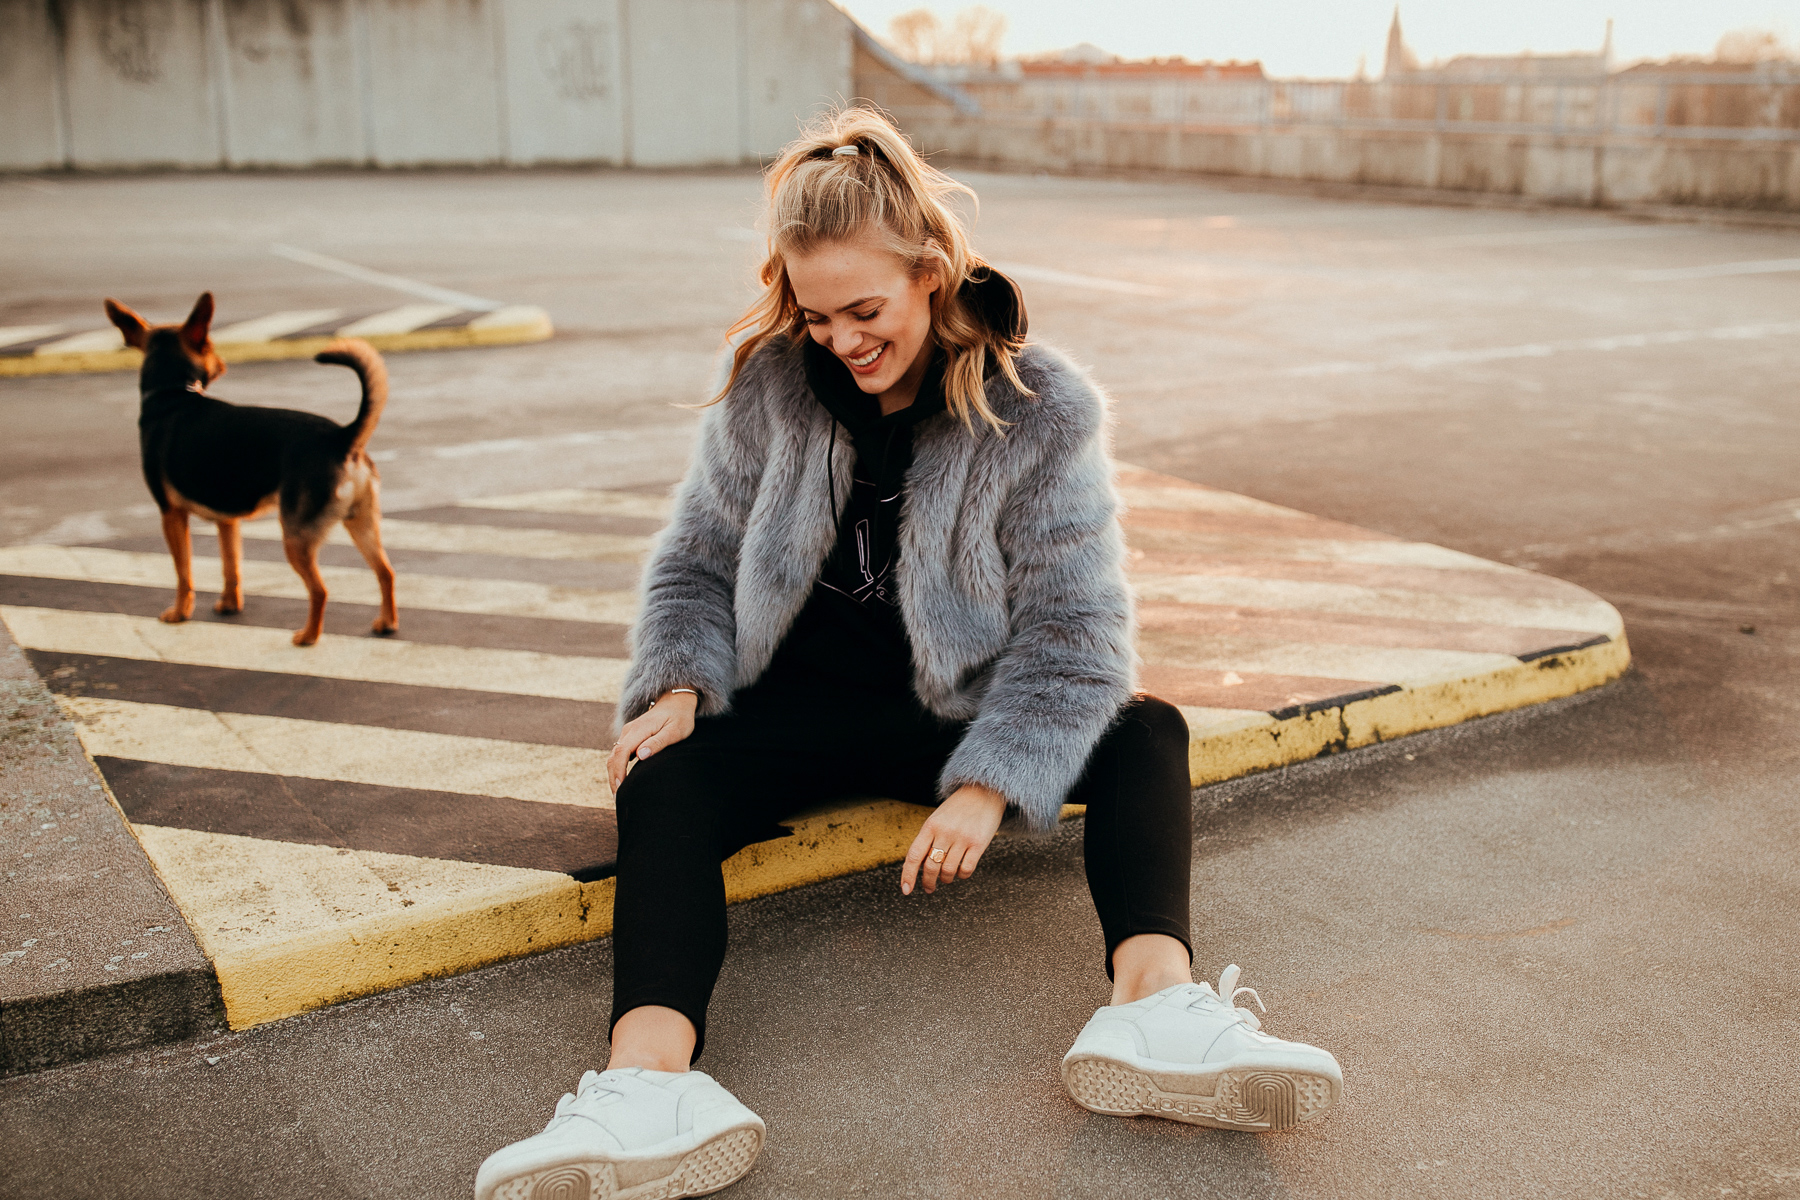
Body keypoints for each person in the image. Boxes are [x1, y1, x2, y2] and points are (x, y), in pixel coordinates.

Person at [474, 108, 1342, 1200]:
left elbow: (1076, 634)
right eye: (816, 314)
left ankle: (1154, 1009)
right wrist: (682, 681)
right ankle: (649, 1087)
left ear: (930, 275)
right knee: (663, 777)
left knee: (1145, 730)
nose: (841, 340)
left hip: (950, 716)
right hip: (788, 710)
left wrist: (989, 782)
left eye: (865, 310)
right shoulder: (770, 387)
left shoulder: (1037, 410)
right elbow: (696, 558)